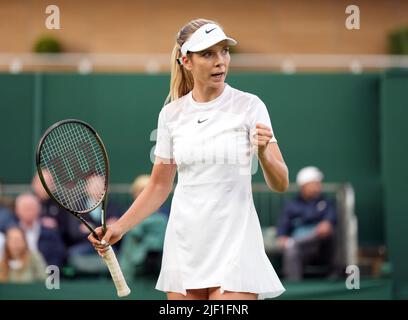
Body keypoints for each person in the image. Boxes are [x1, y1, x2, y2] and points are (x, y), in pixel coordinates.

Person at [89, 18, 289, 300]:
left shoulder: (250, 106)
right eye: (208, 54)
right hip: (185, 247)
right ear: (187, 60)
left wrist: (264, 153)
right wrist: (119, 227)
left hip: (236, 246)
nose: (220, 61)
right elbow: (159, 186)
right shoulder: (170, 115)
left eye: (224, 51)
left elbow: (281, 183)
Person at [276, 166, 337, 280]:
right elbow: (282, 227)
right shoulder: (291, 205)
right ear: (304, 186)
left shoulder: (326, 202)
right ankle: (295, 290)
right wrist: (281, 237)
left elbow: (327, 225)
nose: (318, 186)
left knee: (292, 245)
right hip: (300, 251)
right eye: (315, 183)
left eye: (319, 183)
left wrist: (324, 226)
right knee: (291, 250)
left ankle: (294, 243)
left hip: (320, 247)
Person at [120, 174, 168, 279]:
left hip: (157, 272)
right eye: (141, 190)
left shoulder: (163, 219)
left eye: (148, 190)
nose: (145, 194)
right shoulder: (127, 217)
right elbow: (135, 233)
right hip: (130, 271)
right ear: (135, 194)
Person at [14, 193, 66, 268]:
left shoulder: (51, 233)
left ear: (38, 209)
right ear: (17, 210)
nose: (28, 211)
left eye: (32, 208)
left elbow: (58, 256)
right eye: (25, 208)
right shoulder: (10, 232)